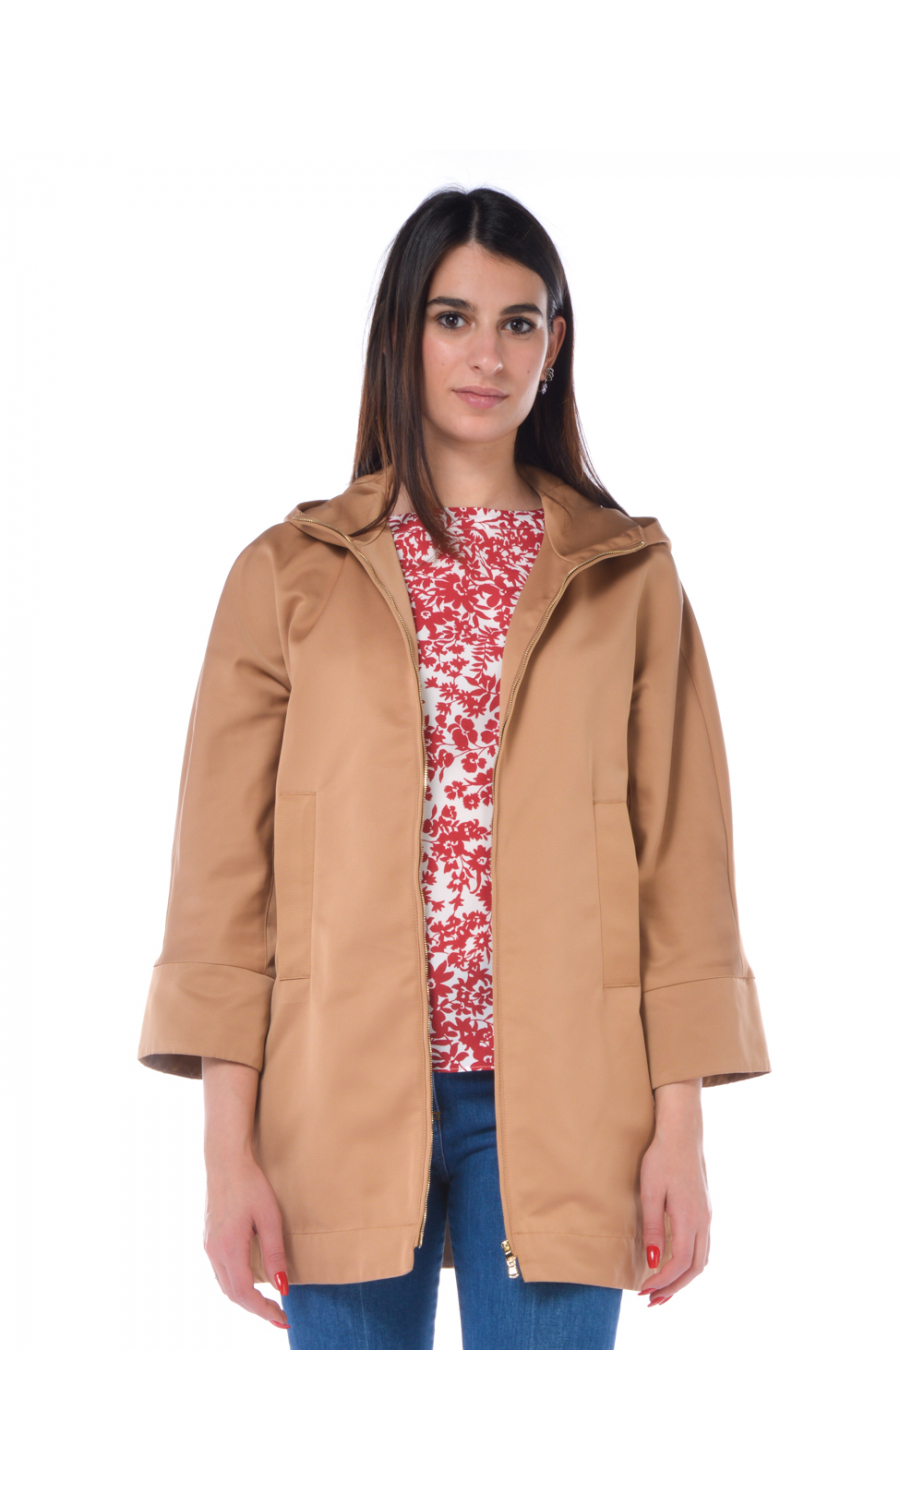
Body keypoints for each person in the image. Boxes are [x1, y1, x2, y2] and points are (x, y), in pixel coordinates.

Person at [137, 186, 771, 1350]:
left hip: (569, 1102)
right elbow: (226, 885)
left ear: (554, 345)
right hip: (333, 1099)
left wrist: (680, 1134)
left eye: (518, 323)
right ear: (404, 334)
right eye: (453, 319)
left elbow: (683, 871)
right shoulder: (290, 575)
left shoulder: (628, 578)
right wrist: (227, 1153)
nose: (488, 356)